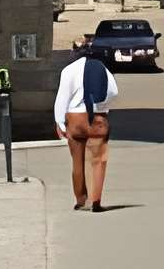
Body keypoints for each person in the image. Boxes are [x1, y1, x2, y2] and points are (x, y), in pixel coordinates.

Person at [52, 42, 118, 211]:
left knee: (77, 161)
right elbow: (113, 91)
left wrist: (60, 122)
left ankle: (81, 199)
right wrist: (102, 107)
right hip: (97, 118)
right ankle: (96, 200)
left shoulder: (68, 71)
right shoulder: (102, 68)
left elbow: (62, 97)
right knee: (98, 160)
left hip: (75, 119)